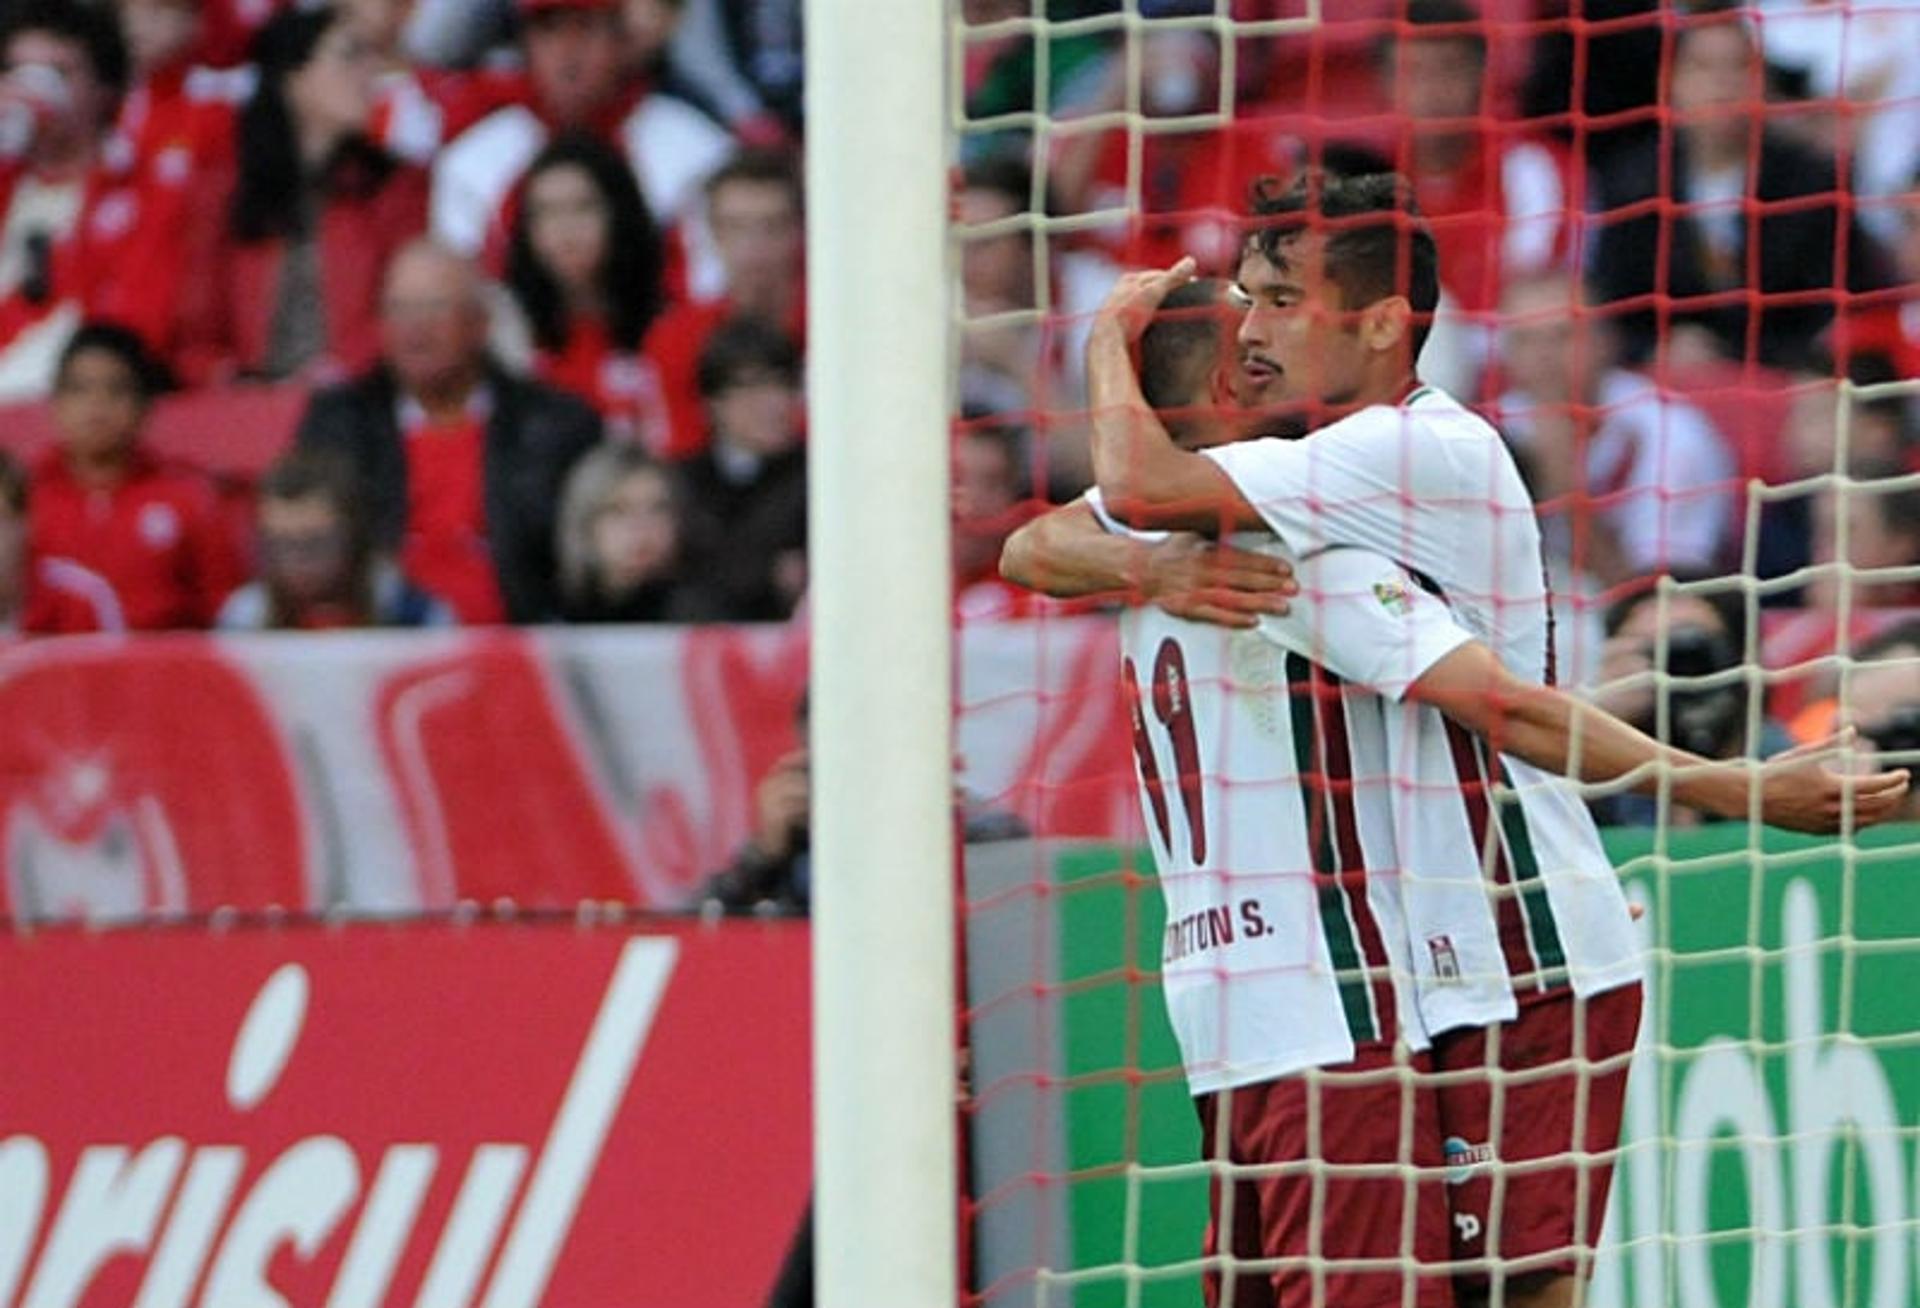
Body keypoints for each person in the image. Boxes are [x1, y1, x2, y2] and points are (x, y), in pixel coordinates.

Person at [1002, 171, 1909, 1308]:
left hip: (1509, 940)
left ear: (1382, 321)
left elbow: (1507, 708)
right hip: (1369, 970)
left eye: (1281, 299)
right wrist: (1146, 563)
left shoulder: (1390, 466)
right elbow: (1036, 544)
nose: (1258, 326)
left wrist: (1735, 788)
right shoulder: (1243, 508)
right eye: (1248, 303)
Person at [294, 239, 603, 624]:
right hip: (375, 646)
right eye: (399, 309)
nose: (415, 327)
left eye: (434, 307)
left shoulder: (556, 423)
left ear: (480, 323)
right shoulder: (339, 422)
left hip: (521, 648)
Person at [1587, 4, 1893, 370]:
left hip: (1789, 379)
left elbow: (1846, 307)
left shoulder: (1814, 183)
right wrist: (1655, 349)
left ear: (1763, 83)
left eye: (1738, 67)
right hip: (1668, 387)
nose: (1723, 84)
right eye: (1704, 68)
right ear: (1670, 83)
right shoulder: (1632, 183)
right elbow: (1610, 308)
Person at [176, 5, 427, 385]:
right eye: (349, 56)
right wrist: (225, 375)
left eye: (370, 56)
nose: (370, 74)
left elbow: (405, 306)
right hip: (248, 409)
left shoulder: (393, 186)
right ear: (294, 78)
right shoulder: (226, 192)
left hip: (359, 399)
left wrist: (339, 370)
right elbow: (195, 329)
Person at [428, 0, 733, 288]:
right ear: (525, 46)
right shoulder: (471, 161)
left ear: (622, 41)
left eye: (585, 28)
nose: (568, 52)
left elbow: (710, 289)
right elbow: (464, 300)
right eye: (550, 31)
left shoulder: (699, 151)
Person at [0, 0, 209, 395]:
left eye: (59, 73)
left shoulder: (146, 193)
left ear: (104, 90)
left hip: (67, 404)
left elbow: (138, 326)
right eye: (14, 71)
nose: (32, 88)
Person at [1494, 272, 1738, 584]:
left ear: (1606, 341)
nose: (1544, 356)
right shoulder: (1490, 429)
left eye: (1562, 335)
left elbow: (1652, 597)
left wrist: (1568, 490)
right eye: (1524, 340)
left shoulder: (1671, 434)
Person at [24, 322, 243, 632]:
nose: (97, 404)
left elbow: (226, 616)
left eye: (116, 389)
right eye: (79, 389)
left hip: (164, 676)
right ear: (55, 404)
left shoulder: (187, 499)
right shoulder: (26, 499)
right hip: (41, 675)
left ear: (145, 407)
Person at [1585, 571, 1796, 827]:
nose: (1673, 671)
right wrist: (1594, 727)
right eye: (1652, 652)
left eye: (1691, 647)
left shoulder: (1784, 765)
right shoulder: (1594, 779)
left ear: (1744, 661)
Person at [504, 132, 670, 447]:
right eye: (546, 212)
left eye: (583, 207)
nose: (565, 230)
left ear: (619, 214)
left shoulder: (668, 328)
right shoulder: (508, 339)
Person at [640, 147, 803, 458]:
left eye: (773, 226)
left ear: (799, 230)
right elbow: (683, 457)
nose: (755, 248)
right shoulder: (678, 339)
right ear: (713, 235)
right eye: (736, 227)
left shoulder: (836, 331)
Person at [219, 446, 453, 630]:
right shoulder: (245, 619)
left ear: (354, 538)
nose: (296, 560)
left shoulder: (415, 616)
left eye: (315, 543)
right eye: (279, 544)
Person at [676, 316, 805, 621]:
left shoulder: (821, 478)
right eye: (753, 386)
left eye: (784, 383)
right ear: (713, 402)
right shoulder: (681, 482)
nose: (775, 403)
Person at [553, 441, 716, 622]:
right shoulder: (549, 617)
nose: (642, 527)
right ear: (585, 523)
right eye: (619, 510)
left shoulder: (708, 621)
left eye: (658, 508)